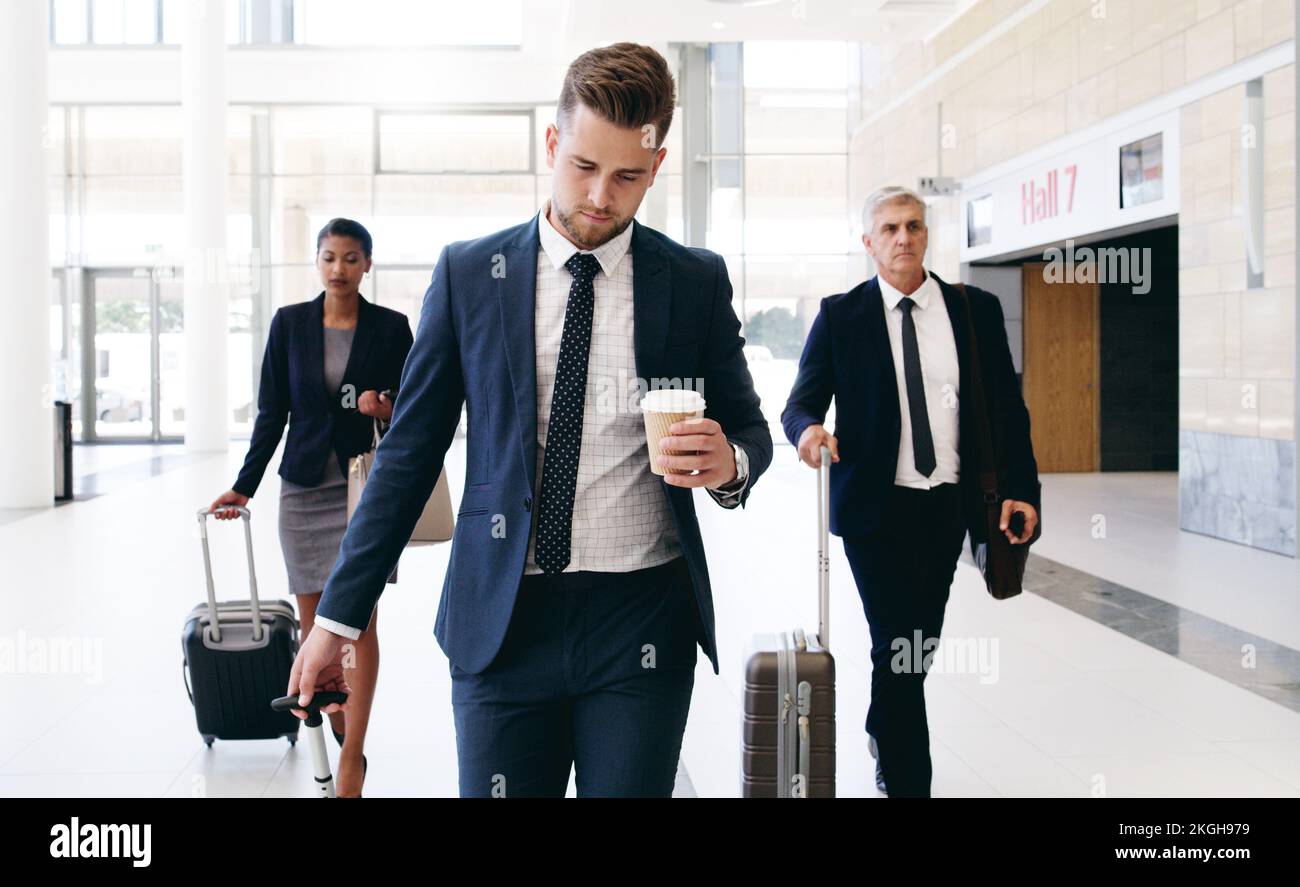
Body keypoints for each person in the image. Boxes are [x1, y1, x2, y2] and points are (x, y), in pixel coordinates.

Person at [288, 43, 772, 797]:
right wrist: (337, 618)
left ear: (658, 163)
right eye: (583, 166)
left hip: (640, 620)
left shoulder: (693, 281)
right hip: (502, 620)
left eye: (628, 176)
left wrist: (730, 463)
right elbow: (410, 454)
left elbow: (749, 429)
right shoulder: (470, 275)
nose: (601, 196)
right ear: (552, 143)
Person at [782, 186, 1040, 798]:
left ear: (927, 235)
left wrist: (1022, 489)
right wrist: (809, 431)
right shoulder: (841, 317)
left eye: (914, 226)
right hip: (876, 510)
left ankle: (881, 723)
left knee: (917, 642)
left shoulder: (973, 311)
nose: (904, 238)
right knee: (895, 640)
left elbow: (1008, 410)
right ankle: (906, 778)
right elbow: (799, 404)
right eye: (891, 228)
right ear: (868, 242)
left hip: (947, 506)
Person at [209, 218, 413, 798]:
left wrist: (384, 407)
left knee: (359, 621)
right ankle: (340, 731)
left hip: (361, 491)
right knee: (315, 625)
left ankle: (352, 754)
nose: (338, 269)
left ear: (367, 264)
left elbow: (419, 409)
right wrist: (244, 487)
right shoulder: (290, 324)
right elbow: (271, 413)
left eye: (351, 258)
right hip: (301, 490)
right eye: (328, 257)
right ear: (316, 262)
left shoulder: (391, 328)